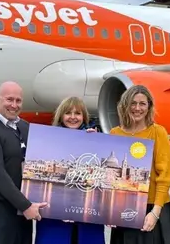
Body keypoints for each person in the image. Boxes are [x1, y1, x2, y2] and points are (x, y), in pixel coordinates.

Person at [0, 81, 48, 244]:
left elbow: (49, 154)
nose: (14, 105)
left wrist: (86, 137)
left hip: (21, 214)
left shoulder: (25, 127)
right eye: (9, 99)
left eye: (18, 101)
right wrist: (26, 206)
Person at [108, 85, 170, 244]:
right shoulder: (115, 133)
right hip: (123, 208)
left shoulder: (158, 132)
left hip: (154, 207)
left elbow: (165, 175)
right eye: (133, 103)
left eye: (142, 104)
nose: (137, 108)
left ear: (149, 107)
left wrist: (155, 212)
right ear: (125, 105)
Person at [34, 96, 105, 244]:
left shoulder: (97, 139)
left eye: (78, 113)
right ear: (61, 116)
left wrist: (97, 143)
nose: (73, 117)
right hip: (54, 221)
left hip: (87, 222)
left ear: (84, 117)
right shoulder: (47, 140)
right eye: (68, 113)